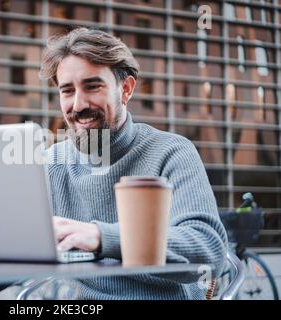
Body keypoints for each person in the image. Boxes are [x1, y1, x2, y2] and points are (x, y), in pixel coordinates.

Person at [38, 27, 228, 300]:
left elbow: (208, 250)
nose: (78, 104)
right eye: (67, 91)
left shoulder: (172, 152)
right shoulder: (51, 162)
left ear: (125, 89)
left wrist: (103, 237)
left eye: (93, 86)